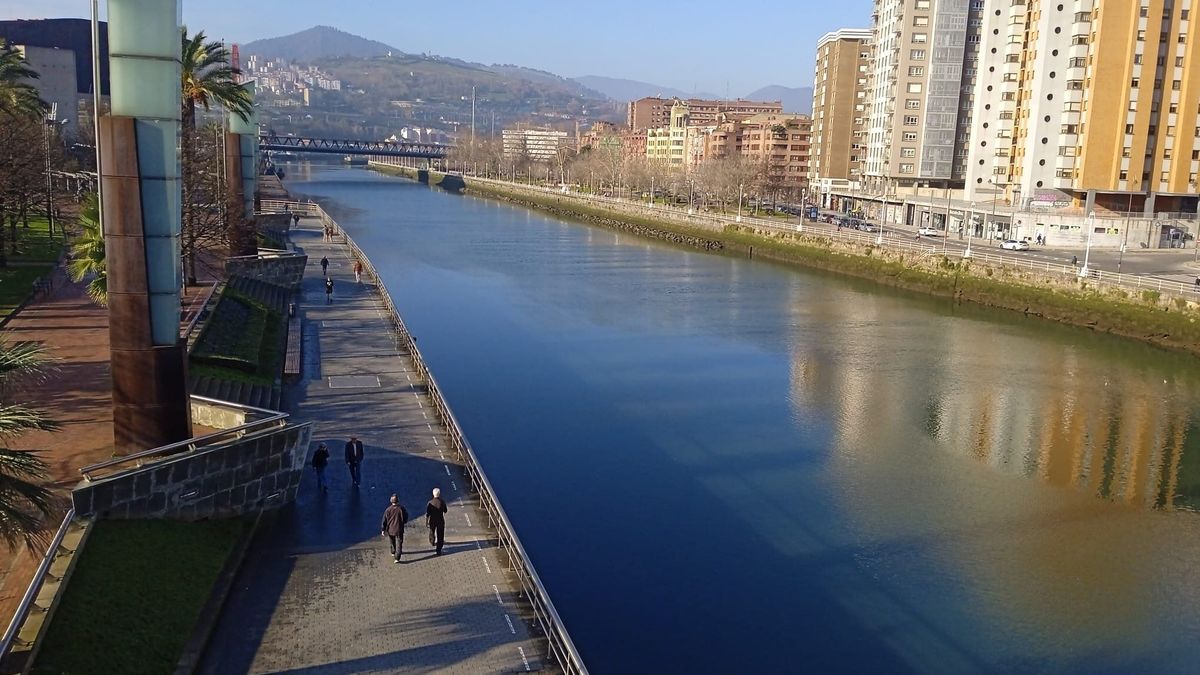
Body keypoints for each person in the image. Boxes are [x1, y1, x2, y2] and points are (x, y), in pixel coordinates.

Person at [380, 494, 408, 563]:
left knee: (392, 541)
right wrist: (403, 522)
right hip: (399, 529)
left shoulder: (388, 510)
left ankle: (393, 551)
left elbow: (384, 520)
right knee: (399, 543)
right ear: (398, 500)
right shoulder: (401, 509)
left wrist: (383, 529)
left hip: (391, 529)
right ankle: (397, 557)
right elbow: (405, 517)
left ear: (391, 501)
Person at [426, 488, 448, 555]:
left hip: (432, 520)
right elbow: (445, 511)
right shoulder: (442, 502)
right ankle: (438, 550)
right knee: (440, 535)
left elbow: (428, 514)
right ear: (439, 494)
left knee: (432, 531)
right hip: (440, 520)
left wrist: (426, 521)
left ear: (433, 494)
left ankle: (432, 541)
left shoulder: (430, 503)